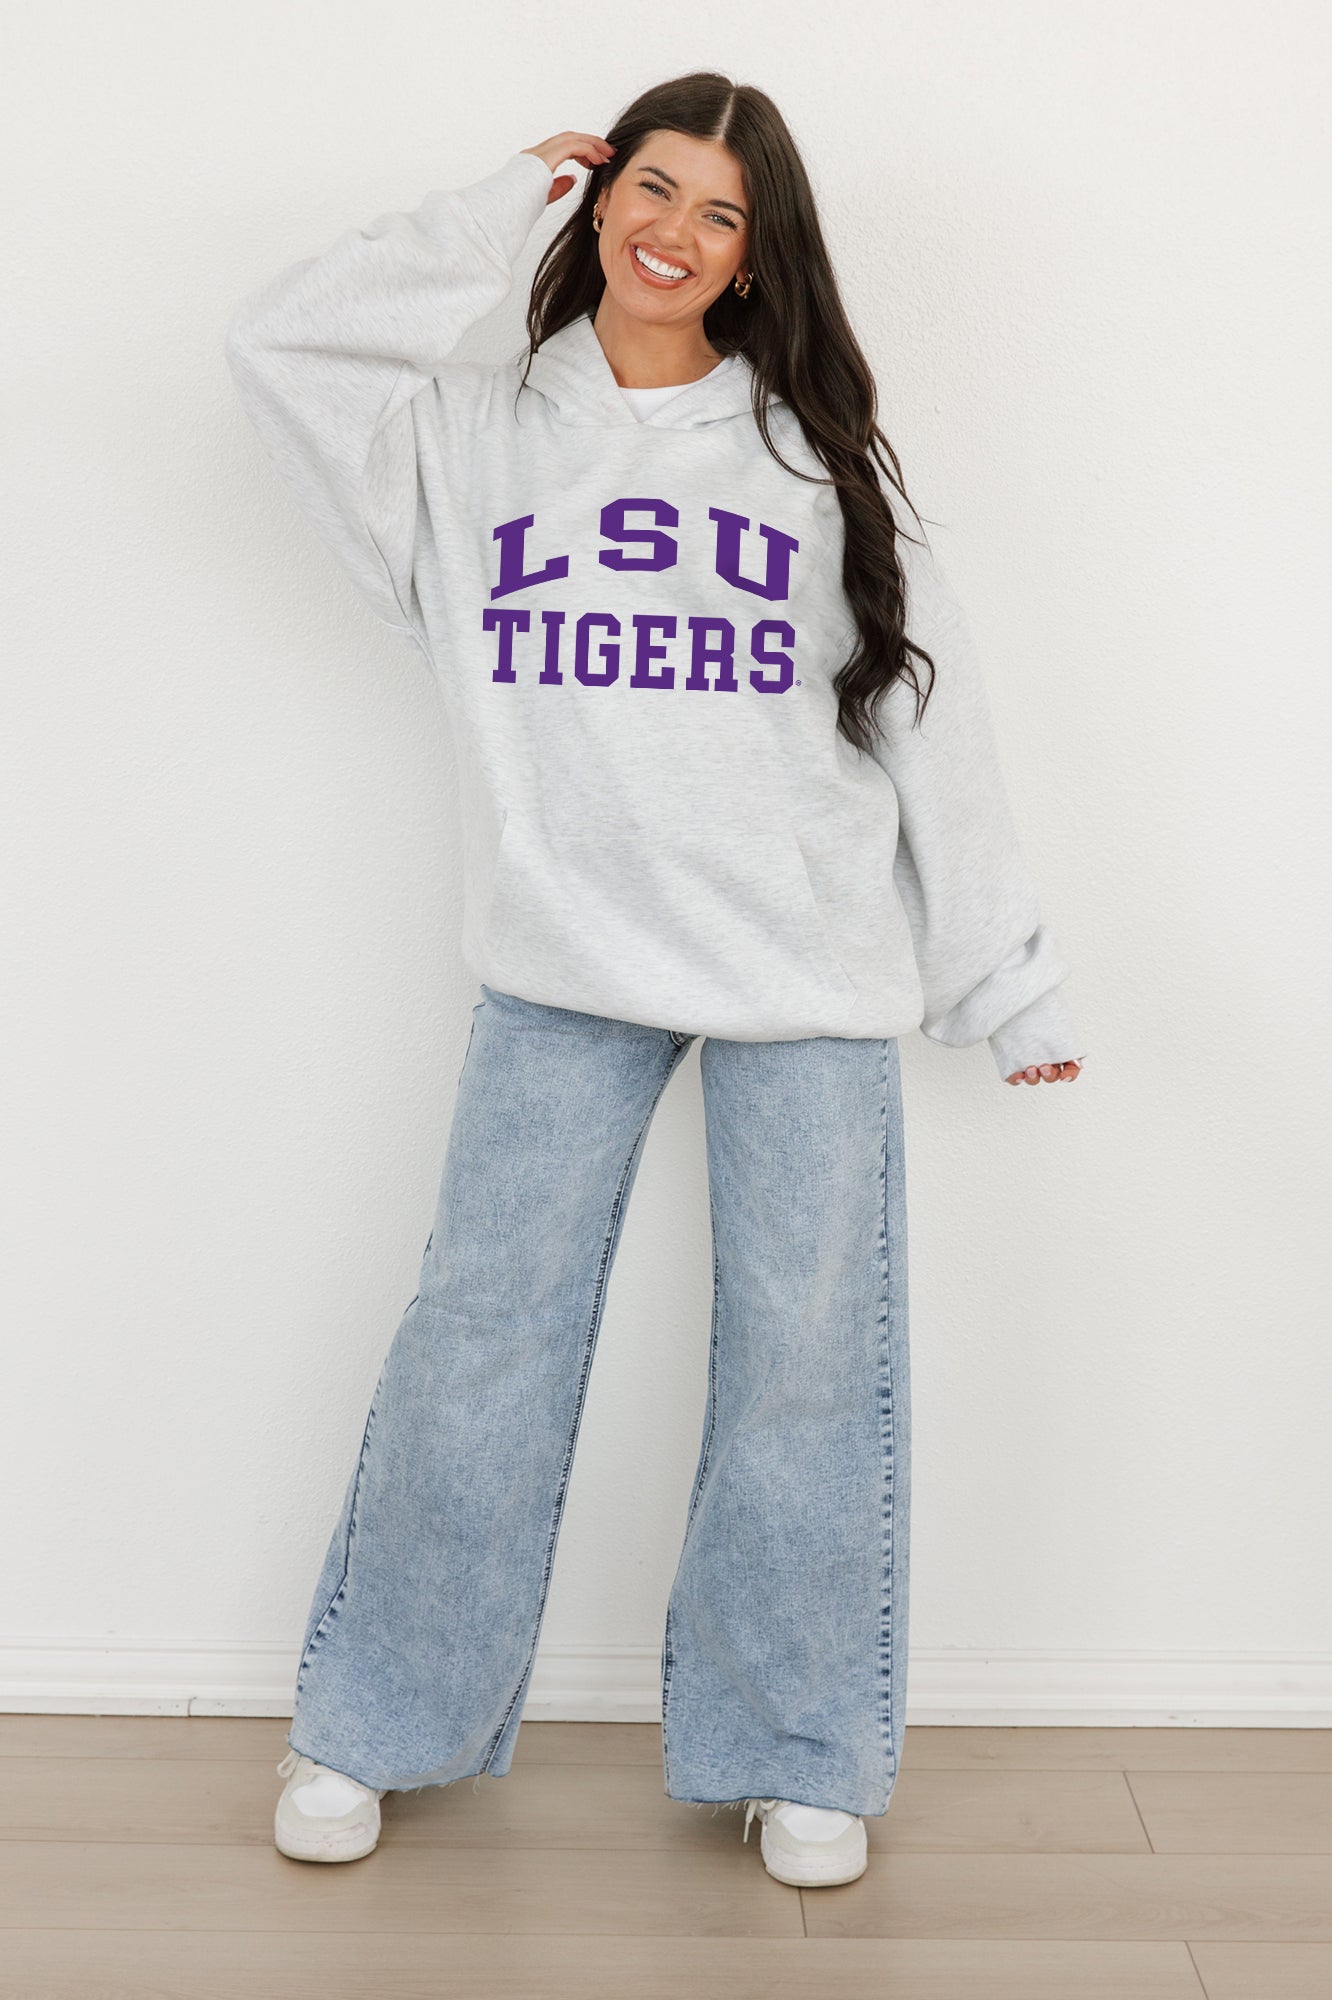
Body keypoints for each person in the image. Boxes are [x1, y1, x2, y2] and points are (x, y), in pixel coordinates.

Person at [224, 71, 1086, 1891]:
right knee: (480, 1342)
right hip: (558, 964)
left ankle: (795, 1751)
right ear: (594, 199)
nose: (674, 234)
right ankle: (375, 1722)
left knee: (805, 1367)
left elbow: (925, 716)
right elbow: (281, 345)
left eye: (719, 213)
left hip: (805, 965)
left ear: (755, 258)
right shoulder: (463, 443)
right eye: (649, 189)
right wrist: (484, 210)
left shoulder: (810, 461)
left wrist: (998, 973)